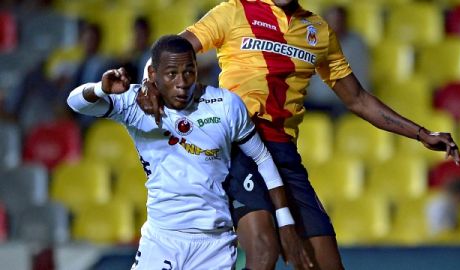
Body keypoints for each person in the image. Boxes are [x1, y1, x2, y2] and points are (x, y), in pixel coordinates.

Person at [137, 1, 460, 269]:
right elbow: (169, 54)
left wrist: (420, 133)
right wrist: (148, 88)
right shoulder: (234, 12)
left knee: (325, 264)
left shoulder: (317, 31)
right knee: (264, 251)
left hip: (283, 154)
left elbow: (358, 99)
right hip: (236, 146)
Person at [67, 35, 311, 270]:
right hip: (162, 238)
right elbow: (75, 102)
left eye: (189, 72)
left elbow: (262, 158)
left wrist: (285, 220)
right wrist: (100, 89)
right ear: (153, 75)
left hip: (214, 243)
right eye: (172, 74)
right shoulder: (136, 102)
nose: (182, 83)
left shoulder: (226, 105)